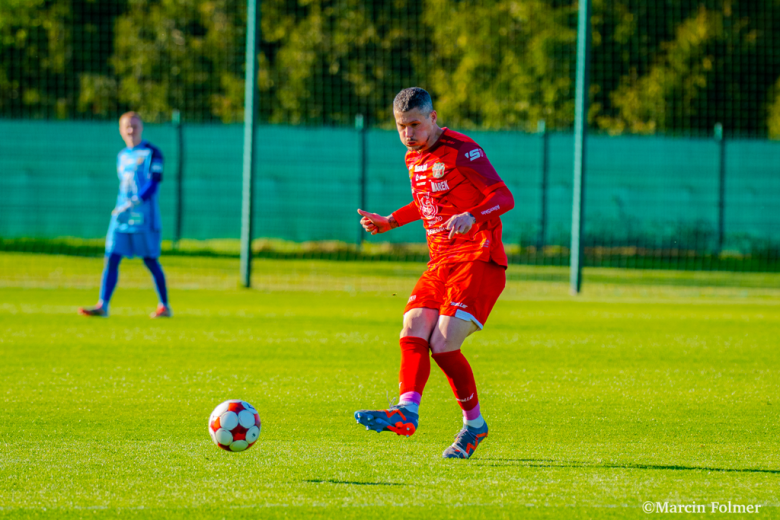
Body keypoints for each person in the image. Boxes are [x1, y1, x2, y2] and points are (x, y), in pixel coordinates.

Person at [354, 87, 515, 459]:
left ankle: (474, 426)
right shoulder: (414, 157)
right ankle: (406, 413)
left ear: (433, 117)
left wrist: (473, 215)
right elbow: (426, 202)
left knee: (442, 344)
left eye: (414, 124)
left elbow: (504, 196)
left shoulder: (462, 151)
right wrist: (391, 221)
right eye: (400, 126)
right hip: (439, 261)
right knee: (411, 328)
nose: (408, 133)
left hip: (478, 258)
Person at [78, 112, 172, 319]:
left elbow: (155, 182)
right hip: (121, 216)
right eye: (127, 127)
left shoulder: (152, 153)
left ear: (142, 128)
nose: (131, 130)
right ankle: (103, 305)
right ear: (121, 130)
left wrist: (138, 200)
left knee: (150, 260)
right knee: (111, 256)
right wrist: (124, 206)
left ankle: (164, 305)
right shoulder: (122, 156)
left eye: (135, 126)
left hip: (144, 217)